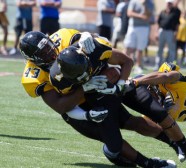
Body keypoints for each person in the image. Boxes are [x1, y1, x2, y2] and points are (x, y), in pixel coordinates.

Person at [19, 29, 177, 167]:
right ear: (33, 60)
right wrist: (85, 88)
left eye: (48, 46)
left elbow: (101, 46)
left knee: (129, 121)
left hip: (98, 89)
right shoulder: (34, 76)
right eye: (43, 53)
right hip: (76, 107)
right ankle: (147, 163)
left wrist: (88, 36)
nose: (50, 52)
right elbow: (60, 106)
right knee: (111, 140)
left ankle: (174, 143)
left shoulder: (63, 37)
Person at [50, 39, 186, 167]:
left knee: (158, 112)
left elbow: (127, 61)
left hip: (119, 84)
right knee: (115, 144)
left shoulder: (94, 49)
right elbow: (65, 107)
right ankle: (147, 163)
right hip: (97, 98)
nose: (88, 74)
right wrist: (87, 112)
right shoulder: (59, 80)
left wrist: (120, 84)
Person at [124, 0, 153, 74]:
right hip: (132, 27)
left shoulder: (150, 3)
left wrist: (144, 5)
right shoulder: (133, 1)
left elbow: (148, 16)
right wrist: (140, 16)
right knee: (128, 47)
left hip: (144, 28)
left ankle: (138, 66)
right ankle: (123, 64)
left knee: (140, 49)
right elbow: (129, 13)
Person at [154, 0, 180, 70]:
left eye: (170, 3)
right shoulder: (162, 12)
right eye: (168, 3)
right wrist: (156, 32)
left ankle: (170, 66)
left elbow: (177, 24)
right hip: (162, 31)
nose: (169, 4)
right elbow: (158, 23)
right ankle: (157, 65)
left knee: (171, 49)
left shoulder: (175, 12)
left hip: (170, 32)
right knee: (160, 49)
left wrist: (176, 33)